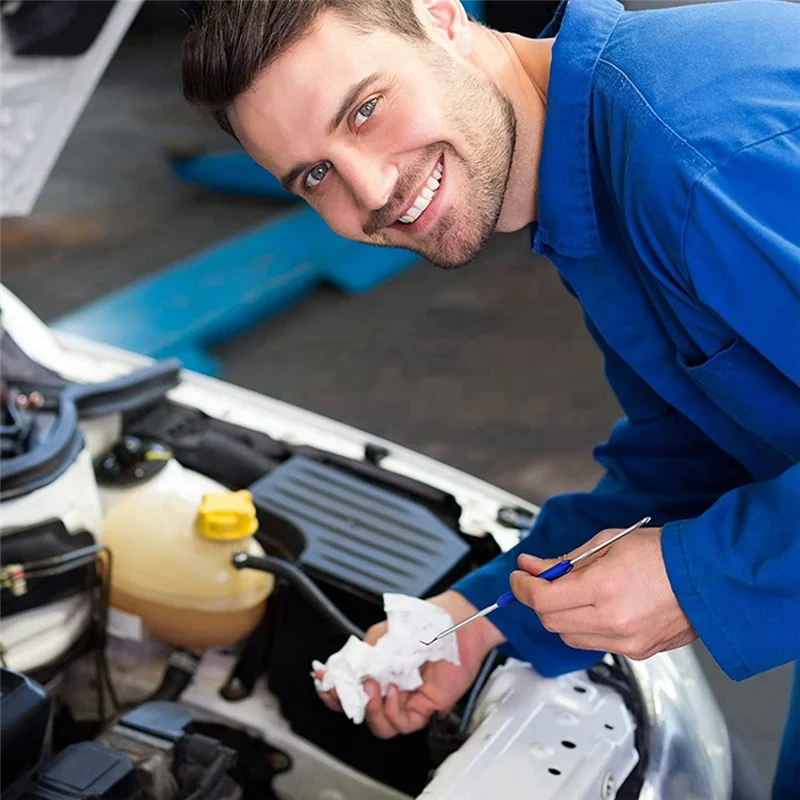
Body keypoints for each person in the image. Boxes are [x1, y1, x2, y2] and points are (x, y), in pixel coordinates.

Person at [180, 0, 800, 794]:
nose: (369, 190)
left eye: (365, 108)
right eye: (315, 174)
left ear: (439, 16)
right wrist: (473, 624)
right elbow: (695, 449)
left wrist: (705, 575)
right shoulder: (595, 177)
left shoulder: (693, 152)